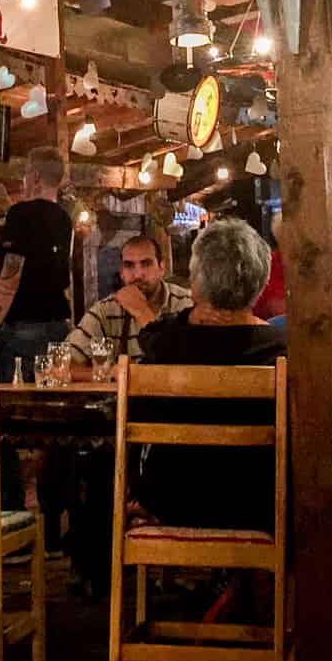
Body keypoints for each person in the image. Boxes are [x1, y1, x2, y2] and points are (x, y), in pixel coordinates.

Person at [134, 218, 286, 531]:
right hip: (258, 505)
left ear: (196, 285)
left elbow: (154, 335)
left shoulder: (163, 346)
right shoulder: (281, 352)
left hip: (172, 502)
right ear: (260, 282)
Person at [0, 146, 74, 378]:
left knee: (15, 403)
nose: (24, 179)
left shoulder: (20, 214)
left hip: (24, 331)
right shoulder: (65, 219)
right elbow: (38, 242)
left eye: (26, 173)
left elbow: (10, 276)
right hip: (59, 328)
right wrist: (8, 204)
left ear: (35, 177)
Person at [67, 233, 193, 367]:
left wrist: (141, 311)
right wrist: (112, 373)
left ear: (162, 268)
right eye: (129, 265)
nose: (138, 275)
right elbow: (63, 362)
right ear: (121, 272)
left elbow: (196, 362)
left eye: (146, 264)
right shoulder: (106, 310)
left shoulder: (187, 303)